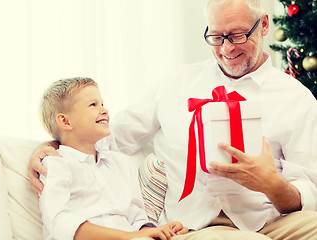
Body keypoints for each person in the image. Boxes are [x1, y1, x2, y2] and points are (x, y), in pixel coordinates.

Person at [30, 0, 317, 239]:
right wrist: (53, 145)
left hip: (271, 221)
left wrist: (271, 185)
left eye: (238, 35)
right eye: (216, 37)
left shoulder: (297, 99)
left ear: (264, 25)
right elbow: (110, 138)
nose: (227, 49)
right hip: (195, 224)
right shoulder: (175, 82)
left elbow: (307, 192)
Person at [37, 77, 188, 240]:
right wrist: (127, 236)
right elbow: (60, 222)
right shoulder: (56, 165)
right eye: (93, 105)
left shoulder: (121, 163)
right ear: (65, 121)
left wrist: (155, 231)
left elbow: (137, 216)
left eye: (102, 103)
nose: (104, 110)